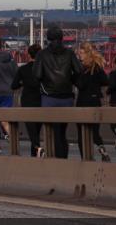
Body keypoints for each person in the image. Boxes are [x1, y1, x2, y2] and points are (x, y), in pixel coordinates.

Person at [33, 27, 82, 159]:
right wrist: (69, 79)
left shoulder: (42, 54)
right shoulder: (69, 53)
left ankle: (56, 159)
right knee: (62, 131)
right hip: (67, 97)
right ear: (62, 38)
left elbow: (37, 74)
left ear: (48, 38)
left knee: (53, 131)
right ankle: (63, 157)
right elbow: (79, 70)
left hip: (49, 97)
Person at [75, 42, 110, 161]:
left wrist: (74, 77)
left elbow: (80, 85)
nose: (79, 55)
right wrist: (95, 85)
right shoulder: (97, 67)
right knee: (95, 131)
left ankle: (84, 157)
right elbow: (105, 81)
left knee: (81, 132)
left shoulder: (83, 69)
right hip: (95, 101)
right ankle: (102, 151)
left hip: (83, 102)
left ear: (86, 53)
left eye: (81, 53)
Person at [11, 44, 43, 156]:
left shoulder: (23, 69)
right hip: (41, 100)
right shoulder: (43, 68)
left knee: (31, 129)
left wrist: (23, 82)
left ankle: (37, 148)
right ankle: (35, 153)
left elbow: (14, 85)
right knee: (37, 130)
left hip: (27, 101)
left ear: (29, 55)